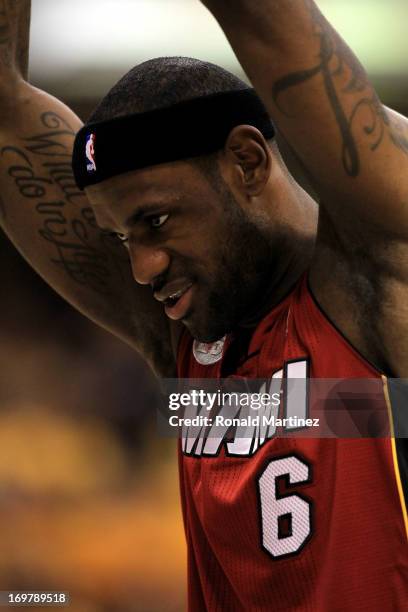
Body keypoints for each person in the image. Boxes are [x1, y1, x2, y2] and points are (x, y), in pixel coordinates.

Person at [0, 0, 407, 610]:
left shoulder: (376, 285)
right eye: (123, 238)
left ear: (247, 161)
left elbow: (262, 16)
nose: (143, 267)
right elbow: (4, 114)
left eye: (157, 220)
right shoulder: (188, 338)